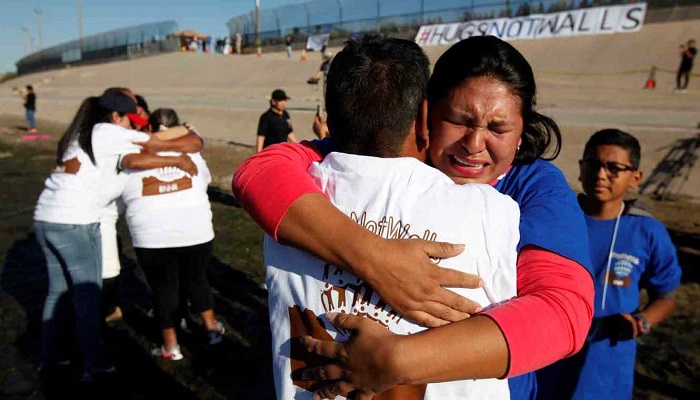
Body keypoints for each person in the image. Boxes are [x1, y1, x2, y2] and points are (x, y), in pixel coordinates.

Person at [232, 35, 594, 399]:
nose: (474, 143)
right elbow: (259, 174)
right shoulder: (374, 156)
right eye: (458, 120)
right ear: (425, 116)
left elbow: (564, 314)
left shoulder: (532, 186)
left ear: (522, 131)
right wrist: (375, 258)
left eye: (498, 128)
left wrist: (396, 362)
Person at [34, 88, 200, 383]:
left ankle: (51, 357)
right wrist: (178, 155)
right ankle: (93, 363)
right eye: (129, 120)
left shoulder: (78, 134)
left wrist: (183, 132)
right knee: (87, 296)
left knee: (56, 292)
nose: (133, 126)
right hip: (75, 221)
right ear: (115, 116)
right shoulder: (106, 131)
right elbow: (156, 142)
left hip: (45, 218)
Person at [535, 129, 682, 399]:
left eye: (614, 168)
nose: (601, 175)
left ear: (635, 178)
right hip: (546, 359)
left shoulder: (646, 232)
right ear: (581, 168)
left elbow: (666, 294)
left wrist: (640, 322)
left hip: (607, 367)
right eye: (593, 164)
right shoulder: (557, 219)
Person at [121, 108, 224, 360]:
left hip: (151, 235)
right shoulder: (192, 151)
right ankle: (211, 328)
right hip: (195, 231)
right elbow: (204, 180)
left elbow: (124, 195)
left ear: (149, 129)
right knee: (196, 278)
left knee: (162, 288)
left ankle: (171, 346)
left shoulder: (134, 152)